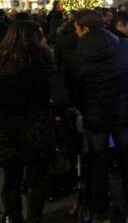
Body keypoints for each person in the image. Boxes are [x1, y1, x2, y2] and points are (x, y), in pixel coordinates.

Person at [71, 10, 128, 222]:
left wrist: (84, 110)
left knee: (98, 164)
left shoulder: (78, 55)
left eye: (76, 28)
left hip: (96, 117)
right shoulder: (125, 47)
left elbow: (76, 90)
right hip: (123, 113)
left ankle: (101, 212)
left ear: (84, 28)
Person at [0, 21, 68, 223]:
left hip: (5, 128)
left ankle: (12, 216)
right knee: (36, 178)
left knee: (11, 177)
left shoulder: (2, 62)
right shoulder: (44, 61)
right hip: (35, 127)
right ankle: (34, 218)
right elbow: (60, 98)